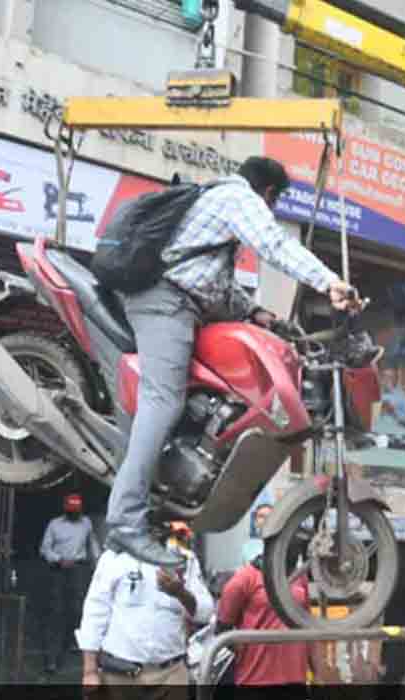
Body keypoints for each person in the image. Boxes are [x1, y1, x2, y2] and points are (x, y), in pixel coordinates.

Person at [104, 156, 361, 567]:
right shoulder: (238, 198)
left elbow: (213, 280)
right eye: (273, 204)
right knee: (164, 400)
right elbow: (275, 246)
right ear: (270, 193)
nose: (271, 210)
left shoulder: (216, 203)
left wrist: (261, 316)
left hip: (182, 301)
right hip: (164, 302)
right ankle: (125, 520)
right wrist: (329, 282)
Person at [76, 525, 213, 697]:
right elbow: (95, 612)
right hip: (121, 675)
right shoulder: (114, 557)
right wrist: (90, 670)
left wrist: (180, 593)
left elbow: (205, 612)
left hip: (171, 675)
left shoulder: (185, 560)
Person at [216, 548, 312, 686]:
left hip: (296, 681)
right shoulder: (245, 578)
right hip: (255, 681)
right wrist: (249, 652)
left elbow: (309, 628)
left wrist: (319, 674)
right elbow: (222, 628)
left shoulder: (300, 578)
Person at [40, 493, 101, 675]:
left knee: (79, 607)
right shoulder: (54, 524)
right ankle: (52, 658)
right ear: (66, 509)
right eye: (71, 511)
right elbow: (45, 548)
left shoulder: (86, 523)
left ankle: (76, 642)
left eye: (77, 511)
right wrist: (58, 559)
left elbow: (93, 544)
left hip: (79, 568)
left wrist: (100, 563)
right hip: (58, 569)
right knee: (56, 611)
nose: (75, 514)